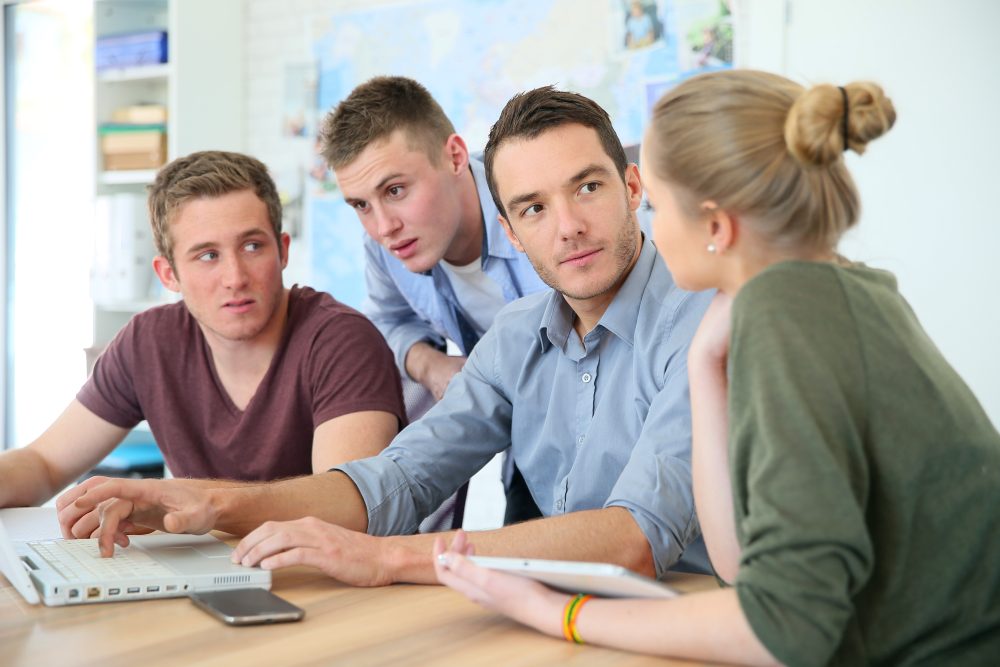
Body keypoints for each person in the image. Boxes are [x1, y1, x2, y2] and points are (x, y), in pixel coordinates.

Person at [434, 71, 1000, 665]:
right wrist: (705, 370)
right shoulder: (822, 294)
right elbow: (739, 566)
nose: (646, 222)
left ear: (715, 225)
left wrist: (560, 614)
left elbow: (784, 627)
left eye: (653, 199)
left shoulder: (789, 321)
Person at [61, 87, 713, 586]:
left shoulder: (702, 320)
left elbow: (637, 537)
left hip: (689, 615)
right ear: (510, 229)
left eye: (588, 187)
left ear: (633, 188)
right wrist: (209, 500)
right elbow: (394, 481)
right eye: (534, 207)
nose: (566, 226)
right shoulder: (515, 337)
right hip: (557, 610)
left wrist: (389, 556)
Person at [0, 150, 406, 519]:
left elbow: (346, 506)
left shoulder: (342, 340)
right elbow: (43, 464)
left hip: (320, 584)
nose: (235, 277)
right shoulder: (149, 342)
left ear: (282, 251)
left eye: (251, 246)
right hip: (202, 575)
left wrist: (188, 500)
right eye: (208, 255)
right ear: (168, 274)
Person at [319, 76, 550, 524]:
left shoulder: (538, 209)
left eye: (395, 191)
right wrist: (430, 365)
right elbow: (387, 320)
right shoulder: (388, 249)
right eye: (361, 206)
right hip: (526, 441)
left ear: (456, 157)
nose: (383, 227)